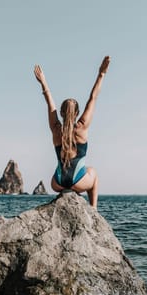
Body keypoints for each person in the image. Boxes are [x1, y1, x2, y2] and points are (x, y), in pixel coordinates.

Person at [34, 56, 110, 208]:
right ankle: (93, 209)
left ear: (61, 113)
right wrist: (101, 74)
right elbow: (93, 97)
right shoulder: (81, 127)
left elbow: (50, 103)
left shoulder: (56, 129)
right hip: (79, 182)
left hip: (57, 183)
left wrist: (43, 82)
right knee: (93, 172)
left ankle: (72, 193)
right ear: (77, 113)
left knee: (75, 170)